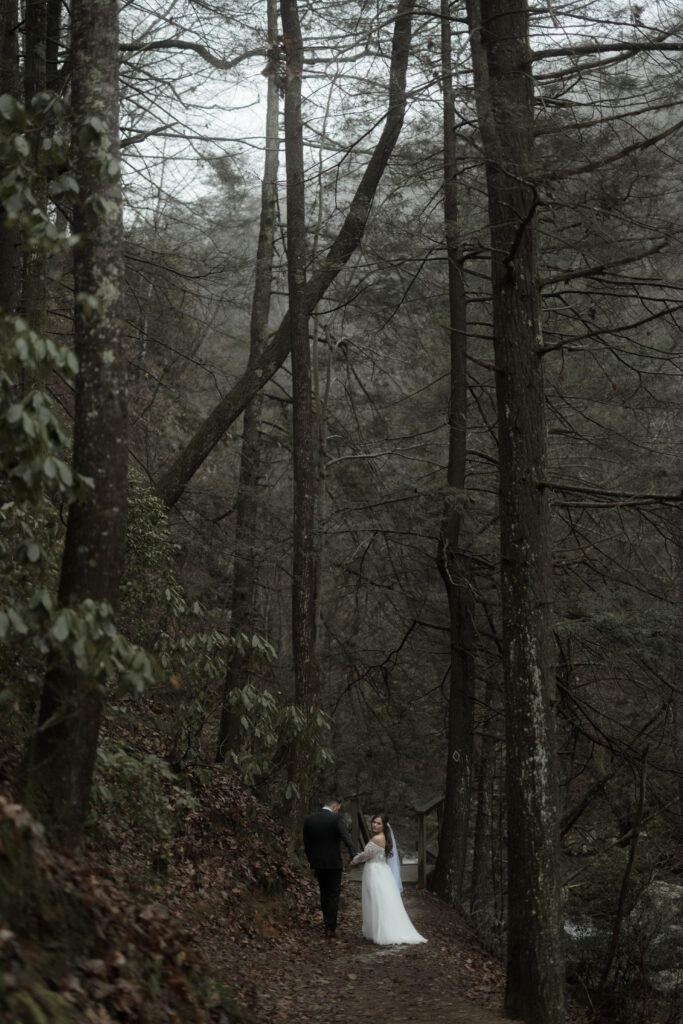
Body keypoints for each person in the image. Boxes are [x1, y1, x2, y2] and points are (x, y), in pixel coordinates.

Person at [352, 813, 426, 945]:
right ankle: (378, 929)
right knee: (382, 899)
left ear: (384, 826)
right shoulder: (385, 837)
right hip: (382, 870)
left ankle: (383, 931)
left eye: (378, 823)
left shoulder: (377, 839)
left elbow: (366, 855)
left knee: (376, 900)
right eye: (374, 822)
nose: (374, 824)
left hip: (375, 870)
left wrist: (354, 860)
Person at [303, 796, 356, 938]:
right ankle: (330, 927)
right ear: (335, 806)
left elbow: (306, 844)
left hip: (318, 863)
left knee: (324, 893)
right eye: (338, 808)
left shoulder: (309, 819)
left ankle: (327, 923)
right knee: (333, 895)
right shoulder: (335, 819)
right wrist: (353, 853)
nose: (338, 810)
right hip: (333, 863)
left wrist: (311, 860)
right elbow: (345, 836)